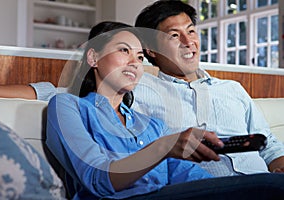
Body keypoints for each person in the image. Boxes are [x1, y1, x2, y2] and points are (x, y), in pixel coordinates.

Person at [46, 20, 284, 200]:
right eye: (123, 50)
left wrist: (230, 189)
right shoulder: (68, 107)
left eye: (139, 56)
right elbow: (98, 180)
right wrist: (164, 146)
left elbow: (191, 178)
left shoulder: (151, 125)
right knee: (270, 187)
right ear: (93, 57)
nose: (134, 62)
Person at [131, 0, 284, 176]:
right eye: (174, 35)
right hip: (202, 187)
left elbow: (269, 144)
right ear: (151, 50)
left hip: (263, 181)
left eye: (190, 31)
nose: (188, 42)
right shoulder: (139, 93)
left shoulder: (232, 89)